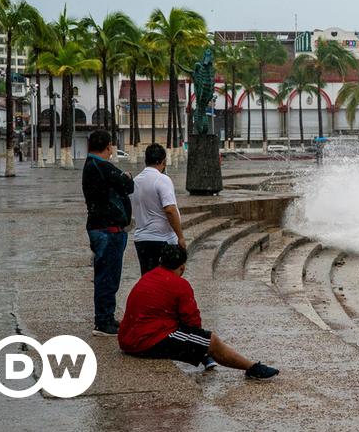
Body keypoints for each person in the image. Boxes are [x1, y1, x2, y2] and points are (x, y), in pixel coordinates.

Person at [118, 245, 279, 379]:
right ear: (182, 267)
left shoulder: (148, 276)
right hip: (145, 342)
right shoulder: (180, 284)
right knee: (210, 341)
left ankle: (206, 357)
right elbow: (193, 324)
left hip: (127, 338)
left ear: (161, 261)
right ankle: (251, 368)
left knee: (191, 335)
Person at [82, 130, 134, 336]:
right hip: (107, 231)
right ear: (108, 147)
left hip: (102, 228)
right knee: (107, 277)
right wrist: (127, 177)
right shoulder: (102, 166)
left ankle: (107, 317)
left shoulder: (92, 165)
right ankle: (103, 322)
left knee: (107, 276)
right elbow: (128, 186)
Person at [131, 144, 185, 275]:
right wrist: (180, 237)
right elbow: (170, 210)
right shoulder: (162, 180)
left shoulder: (135, 181)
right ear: (163, 161)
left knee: (148, 278)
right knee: (166, 279)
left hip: (142, 240)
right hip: (162, 240)